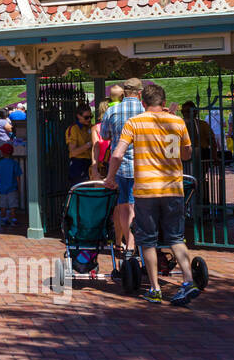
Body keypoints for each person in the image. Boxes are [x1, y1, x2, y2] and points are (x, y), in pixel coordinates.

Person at [103, 82, 200, 306]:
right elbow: (184, 154)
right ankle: (188, 281)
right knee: (176, 237)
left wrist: (110, 177)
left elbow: (117, 153)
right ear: (164, 102)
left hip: (146, 190)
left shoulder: (134, 123)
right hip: (172, 188)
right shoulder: (177, 122)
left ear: (142, 103)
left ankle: (155, 288)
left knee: (147, 240)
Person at [99, 77, 145, 258]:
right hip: (143, 166)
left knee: (124, 206)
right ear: (140, 93)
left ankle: (128, 242)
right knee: (138, 207)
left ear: (125, 92)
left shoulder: (113, 111)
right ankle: (134, 244)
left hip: (121, 166)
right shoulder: (144, 111)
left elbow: (105, 135)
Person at [66, 104, 93, 186]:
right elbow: (73, 152)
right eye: (86, 117)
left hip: (90, 163)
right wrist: (89, 144)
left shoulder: (91, 127)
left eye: (90, 117)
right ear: (78, 116)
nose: (89, 119)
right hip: (79, 163)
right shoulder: (73, 129)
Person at [0, 142, 22, 226]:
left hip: (2, 188)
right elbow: (18, 177)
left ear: (3, 153)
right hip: (12, 188)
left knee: (3, 205)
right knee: (12, 205)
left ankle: (4, 219)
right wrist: (19, 187)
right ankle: (14, 220)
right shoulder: (14, 163)